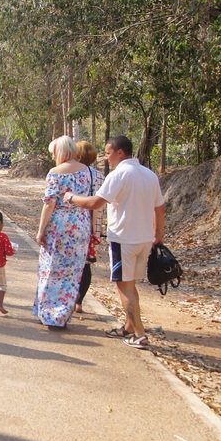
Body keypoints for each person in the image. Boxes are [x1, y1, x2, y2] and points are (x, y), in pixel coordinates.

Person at [65, 135, 165, 349]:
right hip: (145, 239)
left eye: (108, 152)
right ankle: (128, 328)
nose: (106, 157)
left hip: (124, 239)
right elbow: (160, 207)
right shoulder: (149, 175)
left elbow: (95, 203)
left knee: (123, 287)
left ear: (120, 152)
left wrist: (71, 198)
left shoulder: (119, 174)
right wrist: (159, 234)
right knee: (130, 285)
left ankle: (140, 334)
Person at [33, 135, 91, 329]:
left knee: (51, 270)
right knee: (72, 272)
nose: (52, 157)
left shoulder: (55, 173)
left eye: (53, 153)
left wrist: (41, 230)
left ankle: (50, 314)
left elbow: (49, 204)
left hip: (59, 226)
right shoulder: (88, 172)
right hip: (81, 224)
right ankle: (63, 314)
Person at [73, 140, 106, 313]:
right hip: (93, 227)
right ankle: (79, 302)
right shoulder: (100, 176)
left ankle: (70, 300)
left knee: (72, 263)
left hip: (75, 225)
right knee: (86, 265)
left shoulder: (73, 173)